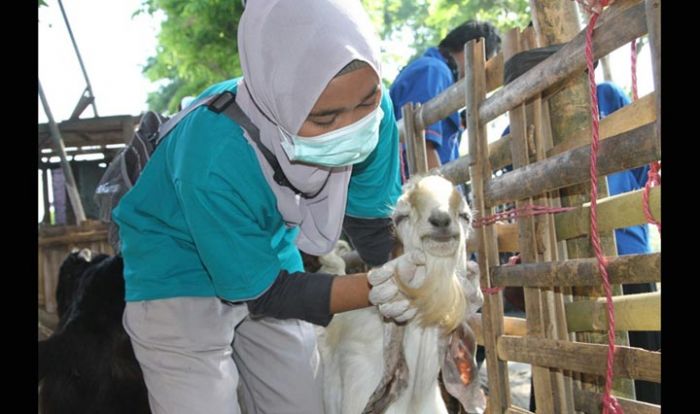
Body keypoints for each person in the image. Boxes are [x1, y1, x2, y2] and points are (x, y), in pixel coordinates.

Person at [112, 1, 424, 412]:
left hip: (265, 249)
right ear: (282, 105)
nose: (351, 125)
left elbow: (371, 223)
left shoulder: (374, 113)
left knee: (299, 402)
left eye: (365, 102)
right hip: (174, 267)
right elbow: (266, 295)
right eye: (325, 119)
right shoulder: (214, 152)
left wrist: (418, 275)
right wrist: (379, 288)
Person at [389, 20, 501, 176]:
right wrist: (444, 199)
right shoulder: (434, 71)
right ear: (473, 49)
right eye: (484, 66)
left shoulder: (436, 72)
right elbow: (423, 149)